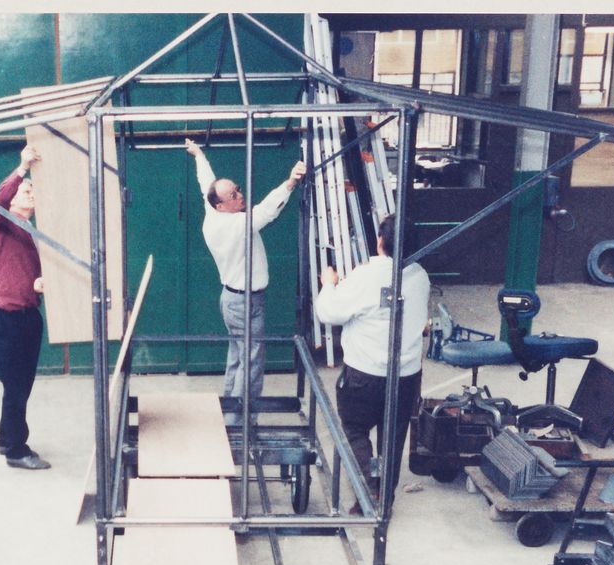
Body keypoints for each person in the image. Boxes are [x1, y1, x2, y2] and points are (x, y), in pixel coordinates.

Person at [314, 213, 431, 506]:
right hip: (406, 375)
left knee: (355, 430)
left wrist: (329, 283)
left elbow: (329, 313)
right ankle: (384, 497)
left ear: (380, 241)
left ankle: (368, 488)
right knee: (392, 437)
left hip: (364, 374)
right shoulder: (420, 276)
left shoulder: (366, 275)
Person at [185, 139, 307, 399]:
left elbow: (206, 181)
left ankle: (229, 410)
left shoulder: (213, 211)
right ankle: (242, 426)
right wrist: (290, 183)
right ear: (221, 205)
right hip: (245, 303)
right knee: (251, 363)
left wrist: (198, 155)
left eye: (238, 190)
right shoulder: (236, 225)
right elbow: (266, 212)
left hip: (233, 301)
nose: (240, 196)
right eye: (234, 195)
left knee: (238, 356)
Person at [0, 144, 50, 470]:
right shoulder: (2, 223)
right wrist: (22, 168)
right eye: (26, 190)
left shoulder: (32, 232)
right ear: (12, 201)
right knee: (16, 385)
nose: (31, 194)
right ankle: (16, 450)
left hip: (27, 315)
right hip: (5, 317)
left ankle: (4, 437)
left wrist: (38, 284)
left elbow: (26, 272)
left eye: (32, 191)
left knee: (18, 383)